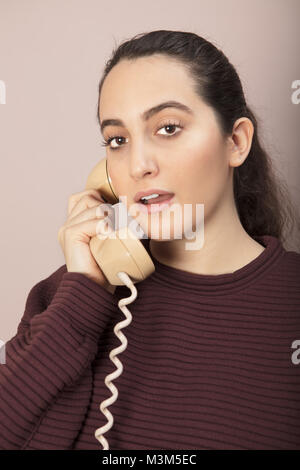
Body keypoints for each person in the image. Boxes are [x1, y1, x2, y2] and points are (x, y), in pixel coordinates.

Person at [1, 29, 300, 451]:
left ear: (236, 142)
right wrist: (83, 297)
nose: (138, 165)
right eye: (117, 140)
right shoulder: (72, 295)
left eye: (168, 128)